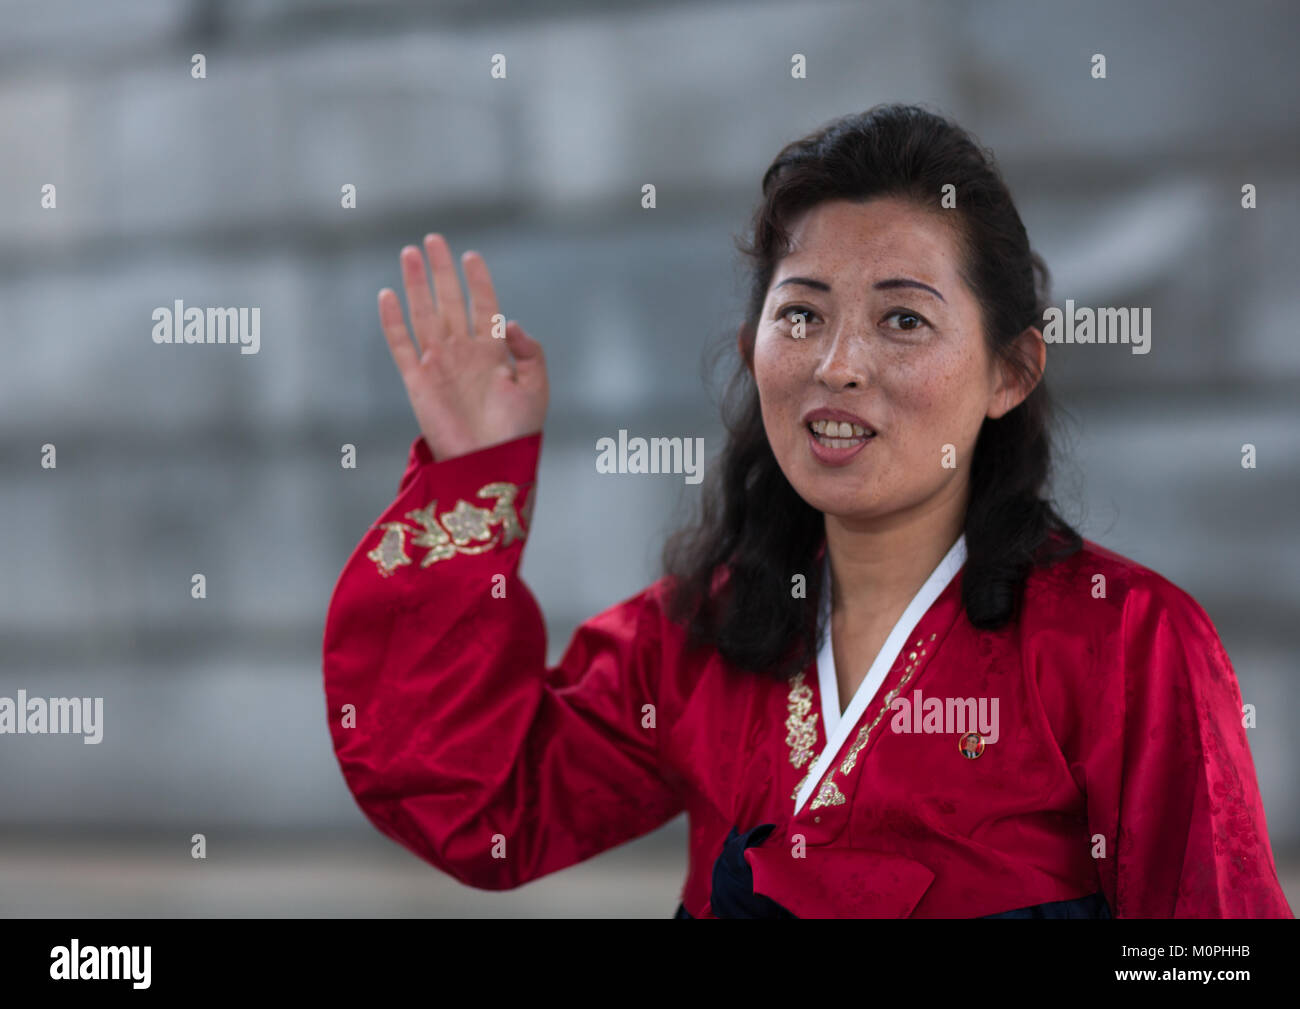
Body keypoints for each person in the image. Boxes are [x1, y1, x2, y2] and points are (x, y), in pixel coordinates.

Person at [321, 103, 1293, 918]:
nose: (837, 365)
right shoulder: (704, 634)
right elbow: (483, 800)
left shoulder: (1124, 643)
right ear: (754, 346)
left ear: (1009, 371)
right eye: (802, 313)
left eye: (902, 319)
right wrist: (472, 466)